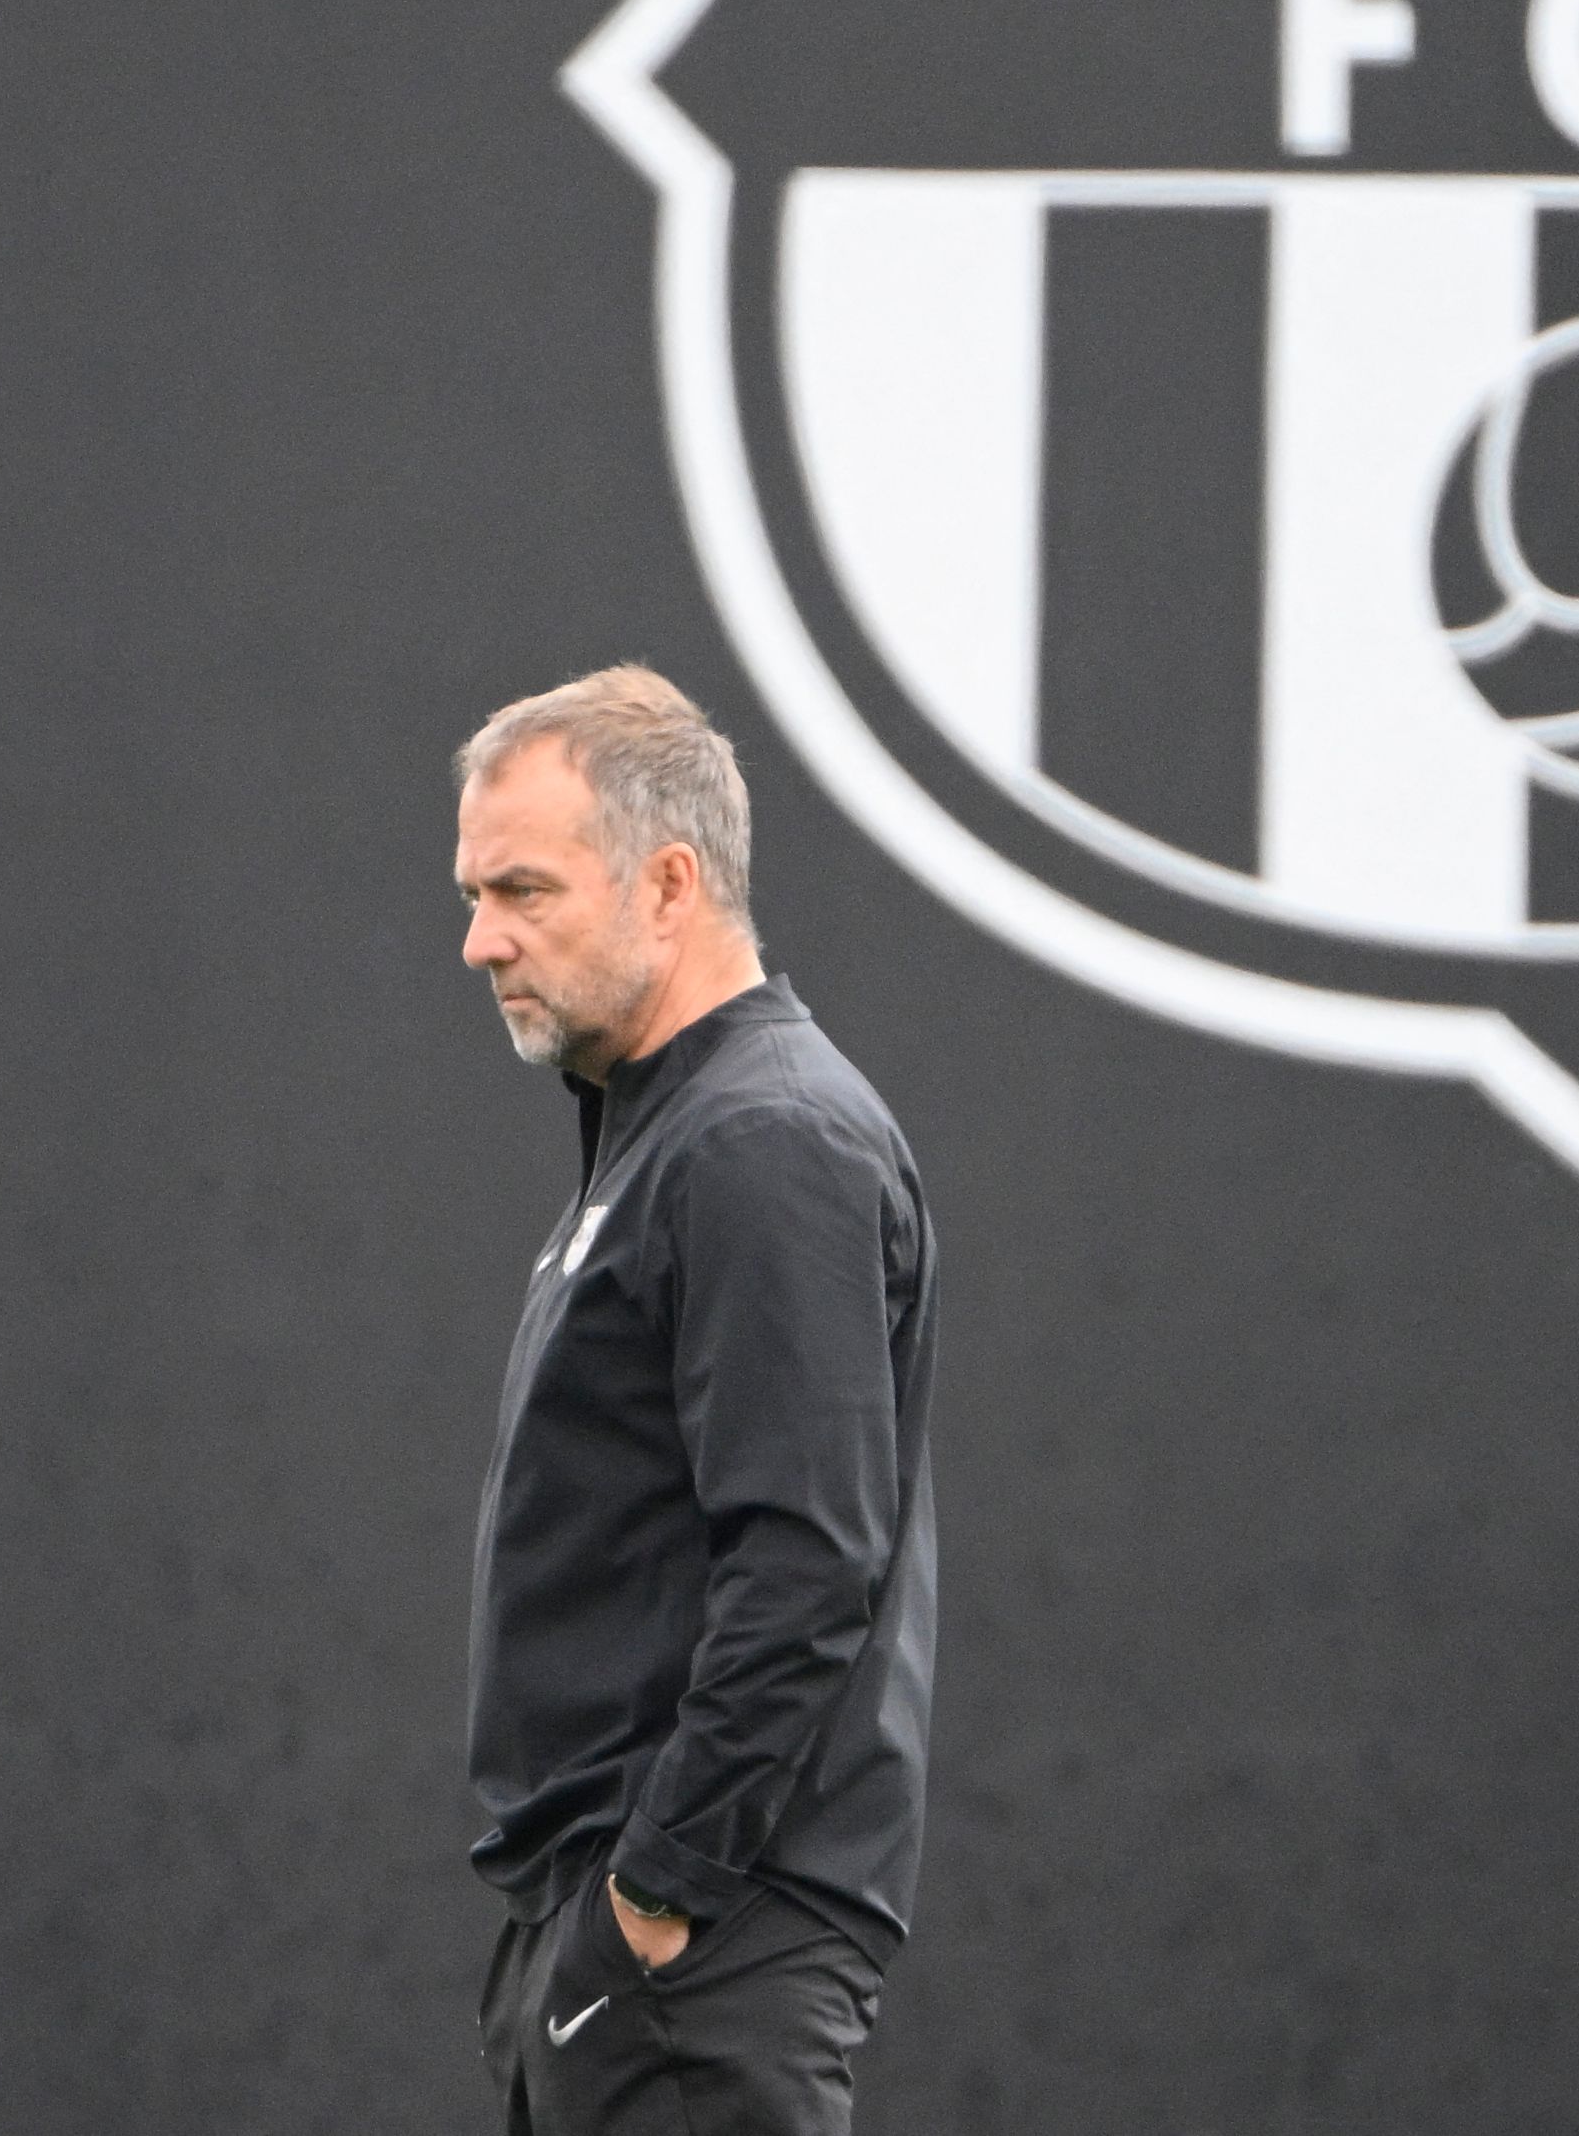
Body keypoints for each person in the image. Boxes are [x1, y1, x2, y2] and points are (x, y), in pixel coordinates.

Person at [451, 665, 939, 2136]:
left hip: (692, 1951)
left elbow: (806, 1563)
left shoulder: (760, 1139)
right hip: (631, 1950)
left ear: (671, 884)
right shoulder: (666, 1134)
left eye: (525, 889)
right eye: (473, 894)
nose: (482, 941)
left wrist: (654, 1893)